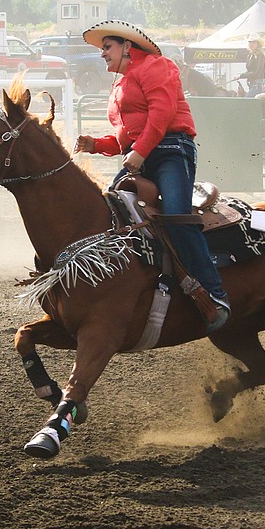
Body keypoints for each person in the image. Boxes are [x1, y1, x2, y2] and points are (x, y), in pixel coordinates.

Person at [74, 20, 229, 332]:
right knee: (108, 209)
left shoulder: (158, 66)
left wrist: (141, 152)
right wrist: (97, 145)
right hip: (142, 155)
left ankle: (215, 295)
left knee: (176, 216)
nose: (102, 54)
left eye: (107, 47)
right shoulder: (122, 82)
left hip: (171, 149)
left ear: (128, 46)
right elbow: (124, 137)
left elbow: (162, 114)